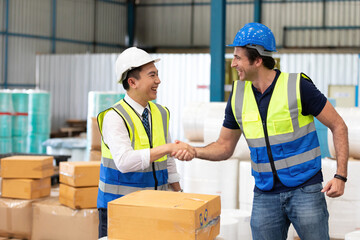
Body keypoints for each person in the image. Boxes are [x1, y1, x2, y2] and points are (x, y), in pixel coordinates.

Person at [174, 23, 348, 240]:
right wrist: (195, 151)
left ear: (257, 60)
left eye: (238, 58)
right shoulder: (238, 95)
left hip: (305, 190)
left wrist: (341, 175)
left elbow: (338, 125)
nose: (233, 64)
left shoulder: (297, 86)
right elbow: (224, 146)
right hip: (265, 194)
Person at [97, 47, 195, 238]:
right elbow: (124, 162)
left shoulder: (161, 113)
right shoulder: (114, 117)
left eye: (157, 75)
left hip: (154, 207)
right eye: (152, 75)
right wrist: (168, 148)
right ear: (132, 82)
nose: (158, 80)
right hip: (119, 209)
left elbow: (167, 161)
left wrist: (179, 193)